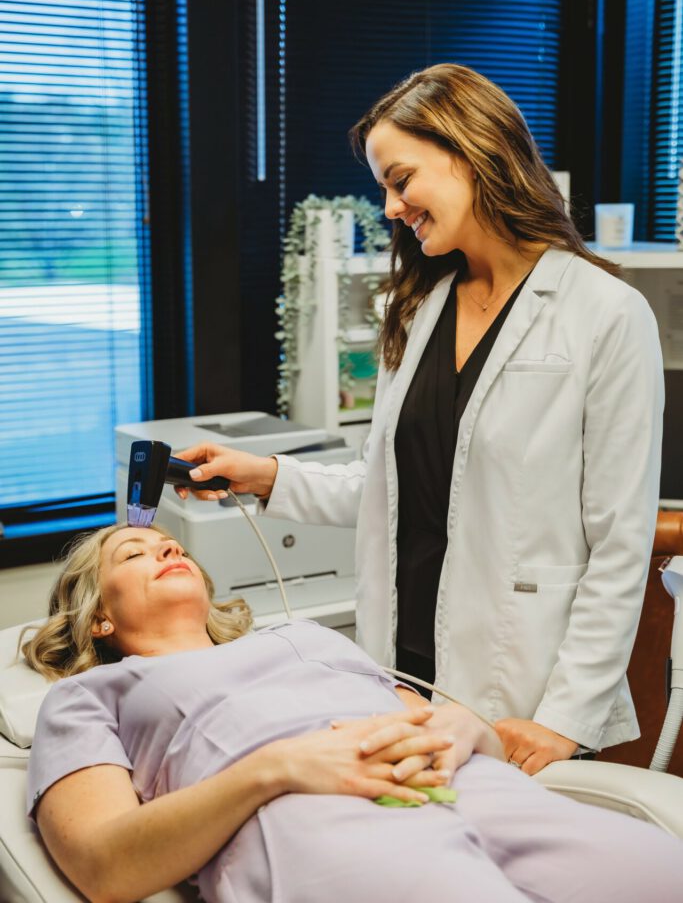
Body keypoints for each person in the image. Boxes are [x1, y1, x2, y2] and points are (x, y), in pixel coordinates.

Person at [176, 64, 664, 776]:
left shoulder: (604, 314)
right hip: (403, 665)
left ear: (470, 152)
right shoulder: (418, 309)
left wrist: (561, 717)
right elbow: (396, 486)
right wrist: (265, 476)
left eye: (399, 181)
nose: (391, 207)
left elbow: (620, 543)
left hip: (521, 684)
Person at [22, 524, 683, 903]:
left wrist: (463, 725)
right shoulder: (86, 697)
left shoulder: (304, 637)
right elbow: (103, 866)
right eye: (134, 553)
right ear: (99, 616)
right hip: (302, 809)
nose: (165, 549)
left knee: (655, 874)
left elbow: (445, 724)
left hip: (465, 780)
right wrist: (275, 768)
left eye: (171, 545)